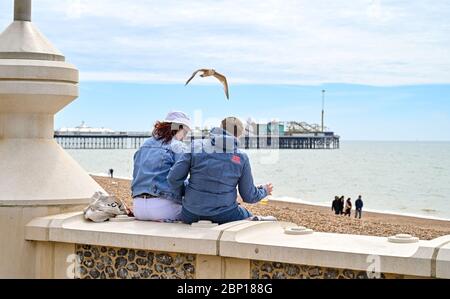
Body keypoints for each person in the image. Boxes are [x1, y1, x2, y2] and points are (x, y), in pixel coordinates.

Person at [168, 116, 273, 224]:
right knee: (249, 218)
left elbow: (173, 178)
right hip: (225, 215)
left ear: (220, 128)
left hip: (190, 214)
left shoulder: (196, 146)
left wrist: (188, 192)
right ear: (238, 136)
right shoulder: (241, 157)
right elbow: (249, 196)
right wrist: (264, 190)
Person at [131, 111, 191, 222]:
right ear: (179, 128)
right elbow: (178, 179)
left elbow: (136, 175)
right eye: (186, 131)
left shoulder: (145, 145)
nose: (185, 136)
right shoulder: (178, 146)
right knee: (195, 215)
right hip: (164, 208)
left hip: (138, 208)